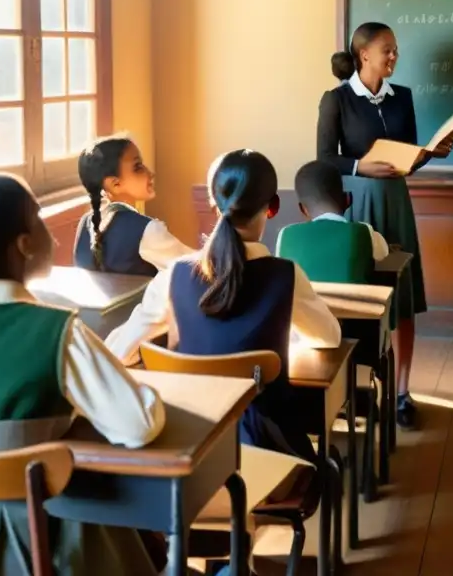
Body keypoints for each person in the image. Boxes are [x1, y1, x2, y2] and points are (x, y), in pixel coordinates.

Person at [0, 174, 167, 575]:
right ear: (23, 244)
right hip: (44, 545)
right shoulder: (55, 330)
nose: (52, 237)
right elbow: (137, 425)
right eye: (40, 221)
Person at [104, 150, 342, 463]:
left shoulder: (173, 276)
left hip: (189, 455)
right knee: (330, 461)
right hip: (266, 456)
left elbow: (117, 352)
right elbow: (329, 338)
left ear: (213, 204)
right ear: (272, 208)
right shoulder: (285, 274)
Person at [316, 21, 453, 429]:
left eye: (396, 50)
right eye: (387, 50)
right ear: (364, 56)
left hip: (395, 201)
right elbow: (324, 158)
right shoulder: (336, 99)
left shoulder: (402, 97)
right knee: (359, 296)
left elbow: (407, 155)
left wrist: (432, 152)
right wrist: (360, 165)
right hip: (357, 202)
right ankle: (359, 388)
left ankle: (402, 393)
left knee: (403, 297)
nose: (394, 57)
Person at [75, 133, 193, 274]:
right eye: (138, 167)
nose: (150, 173)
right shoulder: (146, 230)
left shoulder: (85, 223)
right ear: (115, 184)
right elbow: (194, 268)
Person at [275, 159, 390, 282]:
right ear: (347, 200)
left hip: (304, 301)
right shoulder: (365, 232)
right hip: (351, 301)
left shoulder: (285, 235)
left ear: (303, 209)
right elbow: (384, 254)